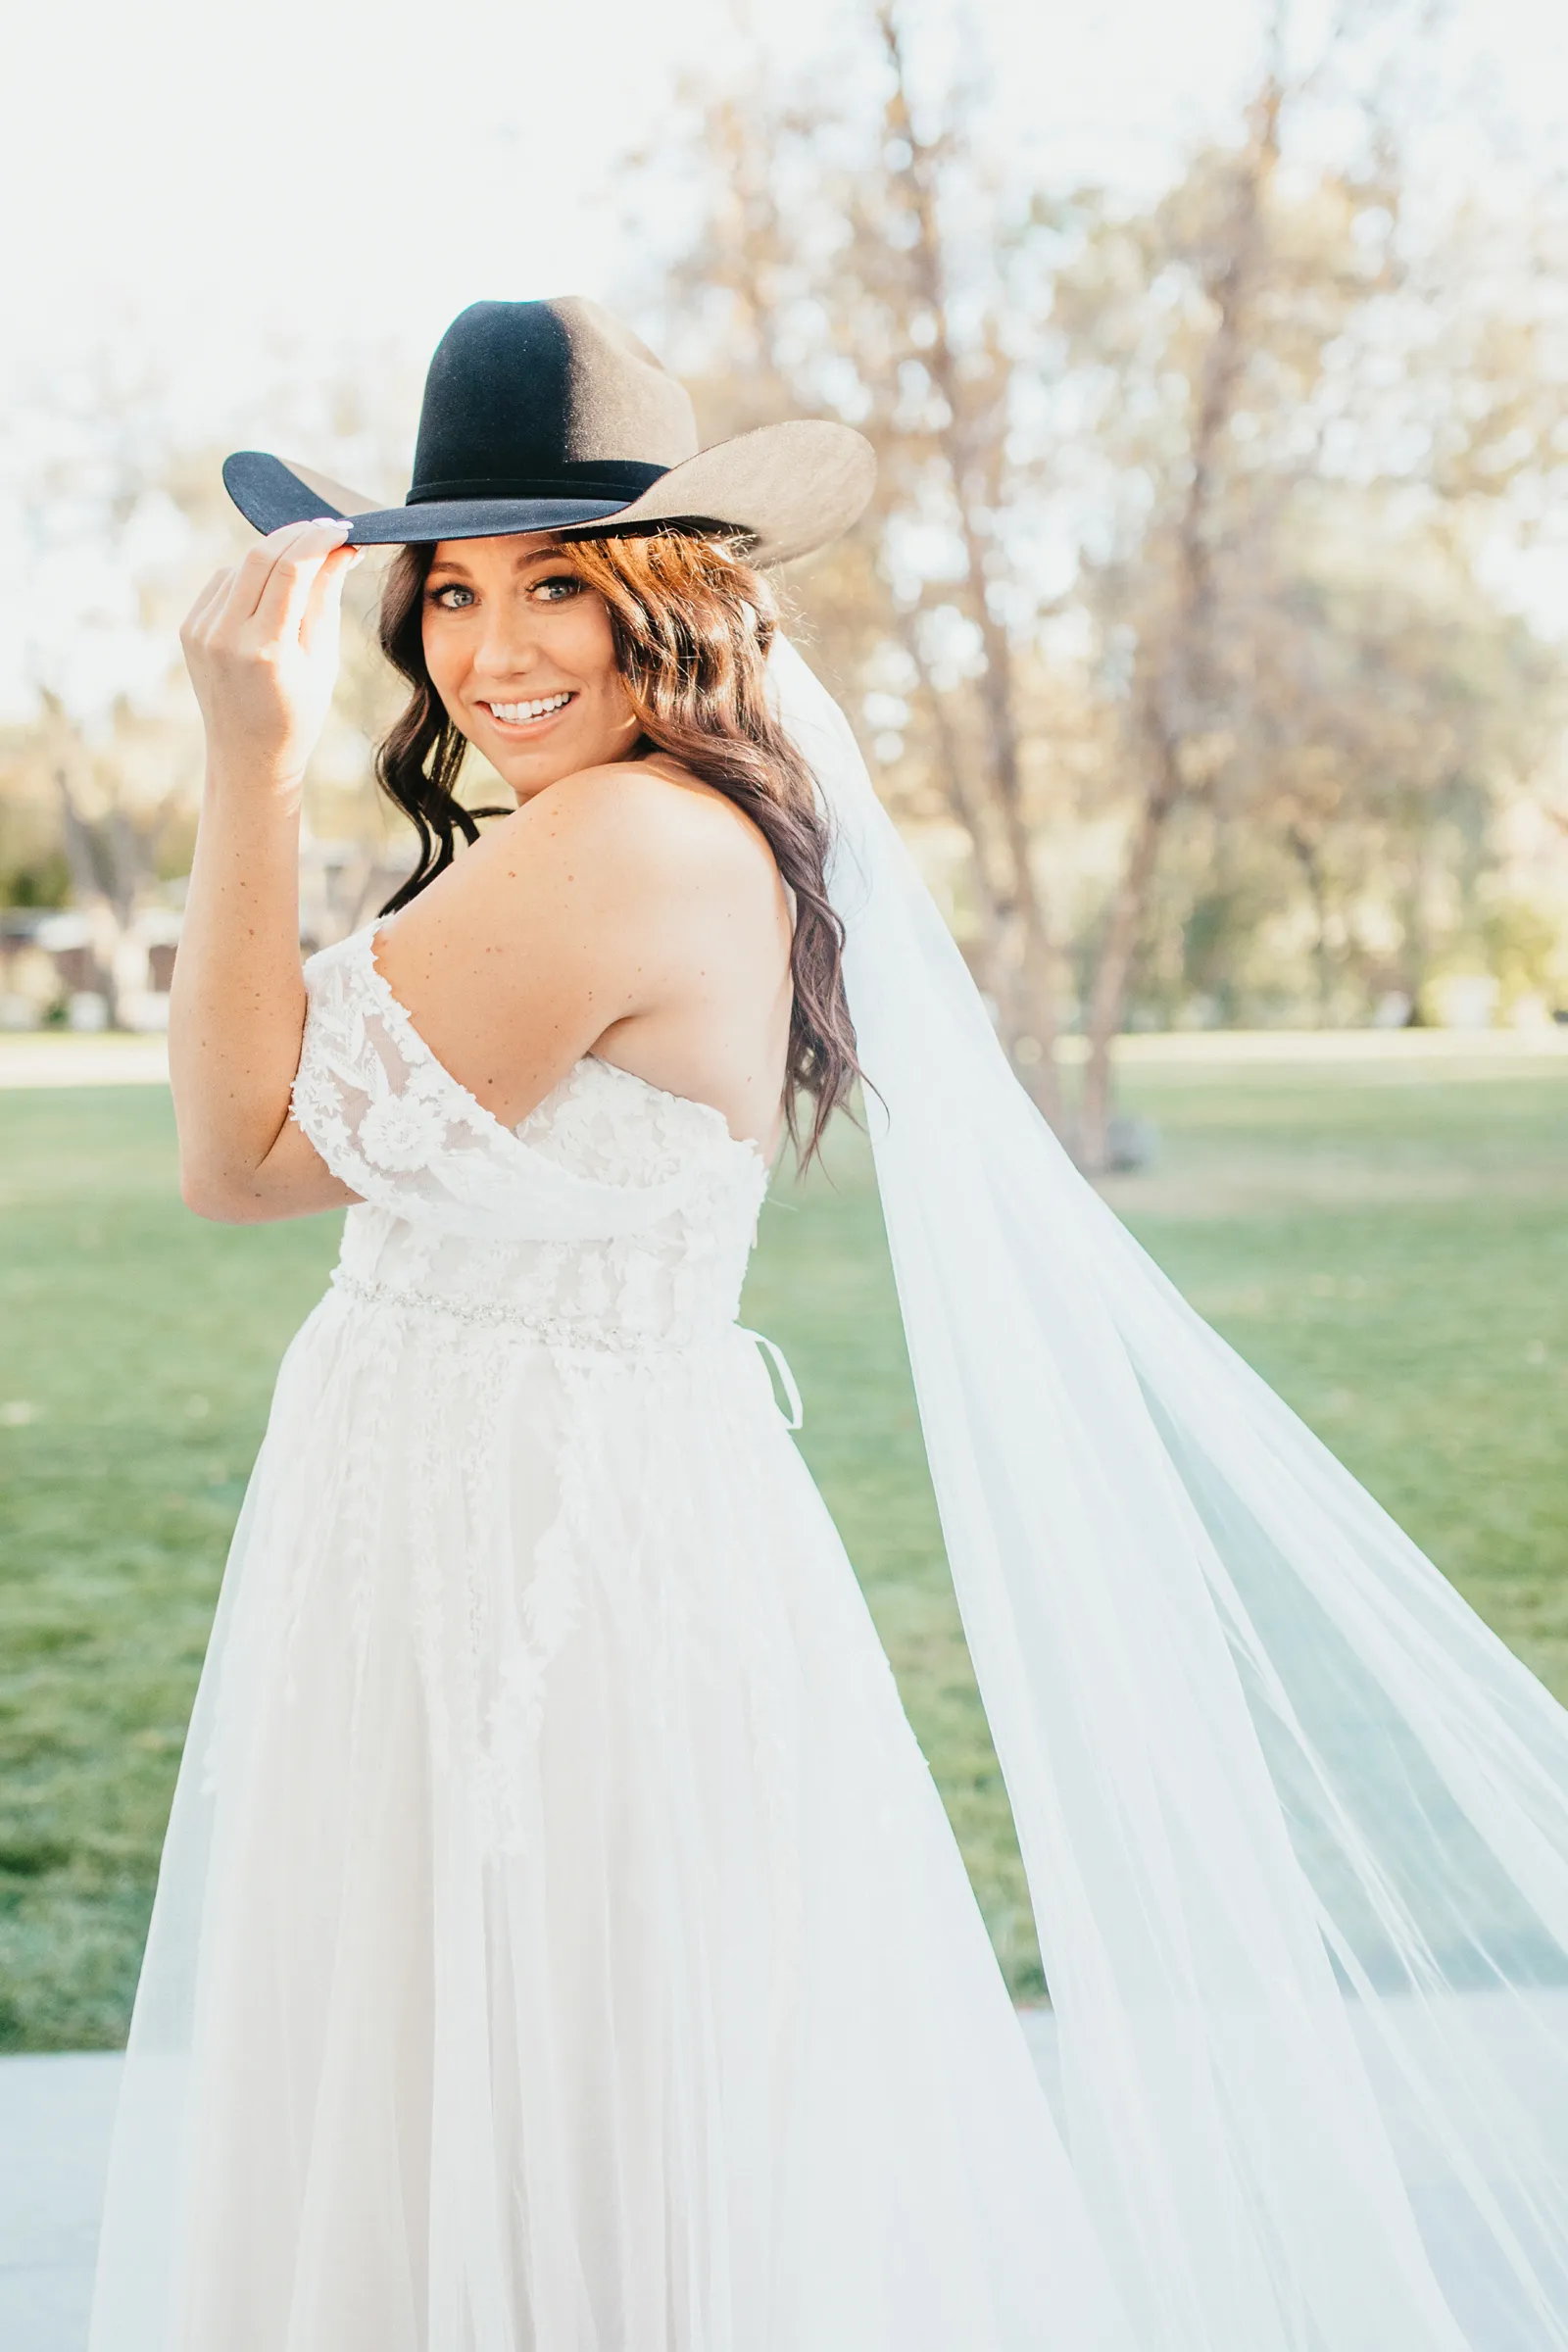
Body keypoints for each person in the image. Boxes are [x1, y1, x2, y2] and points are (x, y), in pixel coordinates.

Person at [90, 301, 1568, 2352]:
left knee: (518, 2093)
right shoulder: (674, 828)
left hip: (524, 1565)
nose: (493, 648)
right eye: (448, 591)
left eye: (558, 590)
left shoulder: (614, 843)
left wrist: (242, 760)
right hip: (546, 1530)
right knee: (538, 2095)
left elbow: (239, 1154)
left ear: (669, 604)